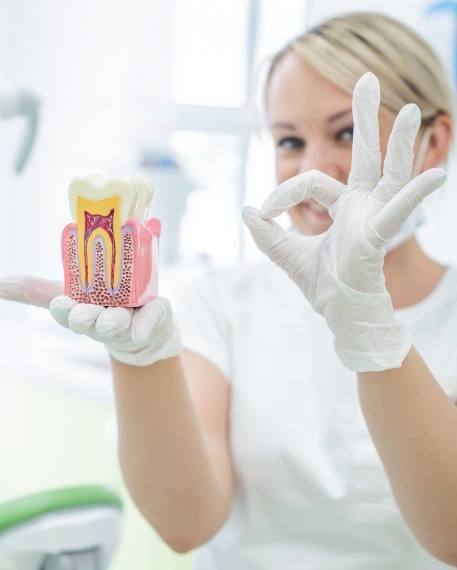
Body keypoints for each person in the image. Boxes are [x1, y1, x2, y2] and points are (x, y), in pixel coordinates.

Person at [1, 11, 457, 570]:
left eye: (345, 132)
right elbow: (186, 522)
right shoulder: (225, 300)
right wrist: (140, 360)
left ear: (433, 142)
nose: (310, 170)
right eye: (290, 141)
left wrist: (372, 335)